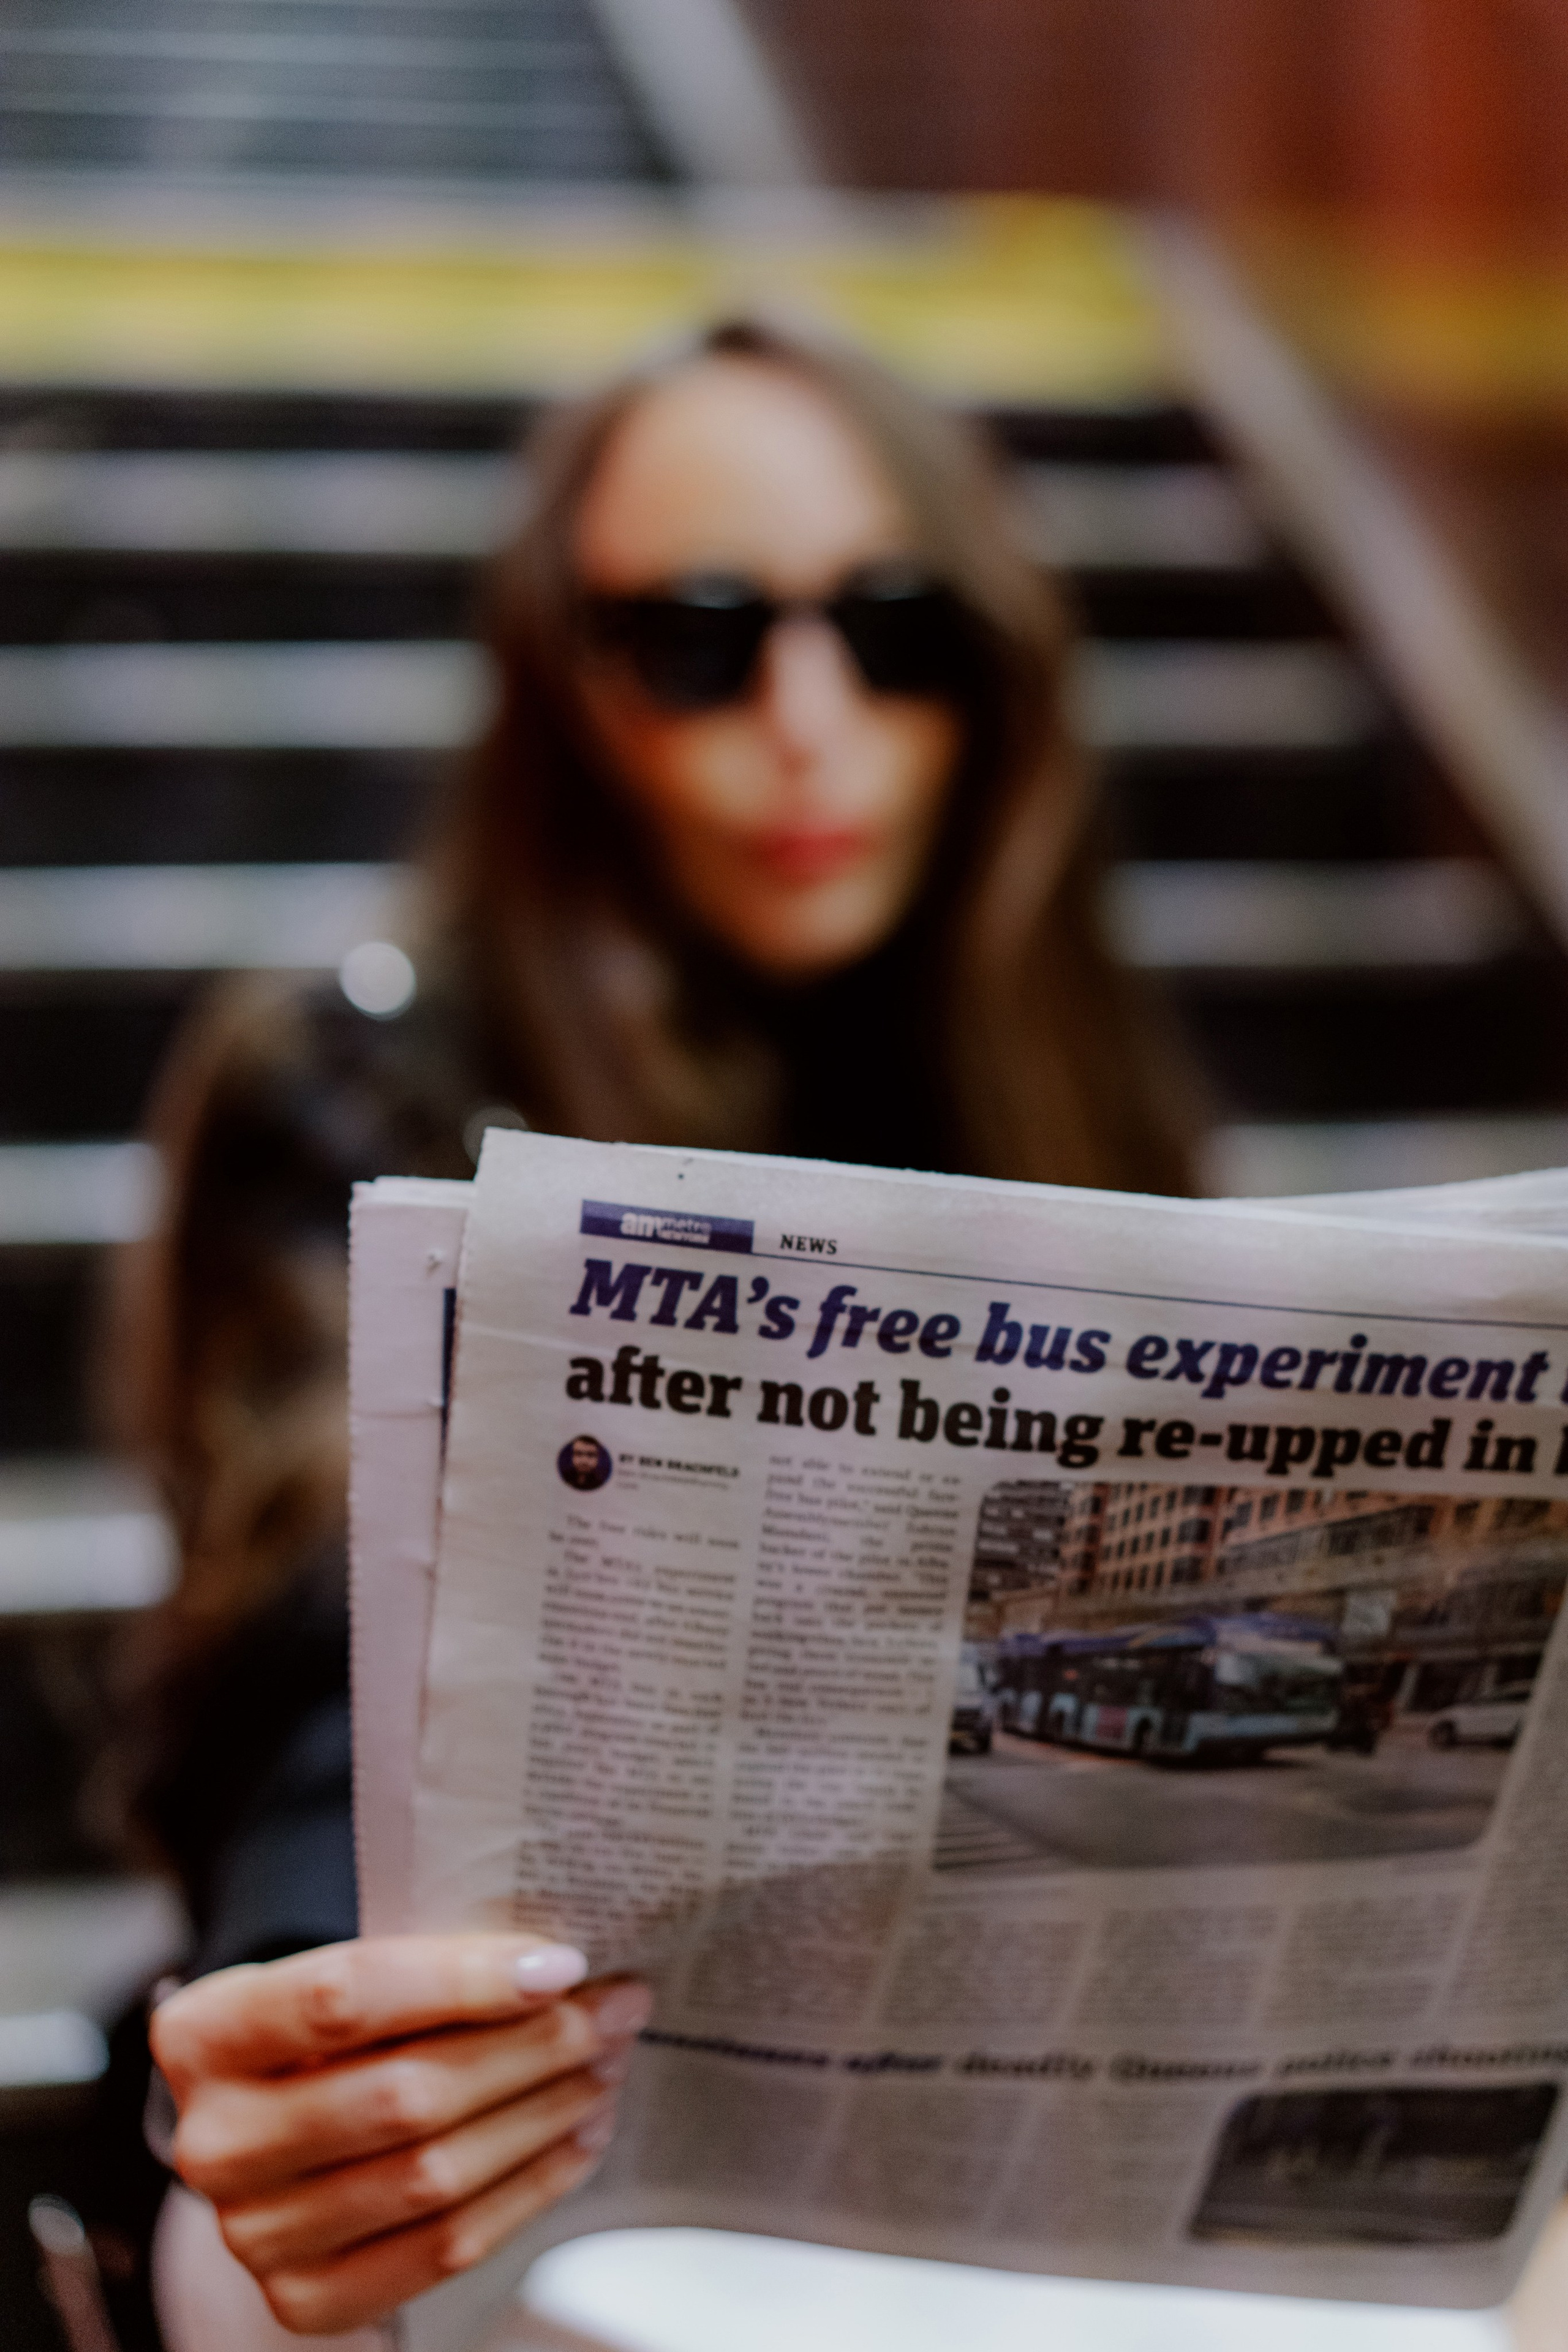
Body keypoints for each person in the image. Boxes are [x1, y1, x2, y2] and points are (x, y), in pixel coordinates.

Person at [113, 316, 1194, 2337]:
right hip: (504, 2132)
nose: (807, 717)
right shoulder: (357, 1082)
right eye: (701, 637)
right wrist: (329, 2033)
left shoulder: (1060, 1076)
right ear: (567, 684)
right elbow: (325, 1642)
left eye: (895, 632)